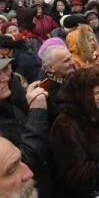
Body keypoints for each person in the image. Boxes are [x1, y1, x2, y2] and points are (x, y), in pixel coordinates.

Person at [50, 67, 99, 197]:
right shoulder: (65, 125)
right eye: (96, 93)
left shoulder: (98, 113)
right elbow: (74, 176)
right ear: (82, 95)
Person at [0, 58, 53, 197]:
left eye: (4, 71)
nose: (5, 78)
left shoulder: (6, 100)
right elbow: (19, 162)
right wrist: (37, 111)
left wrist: (28, 98)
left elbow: (22, 125)